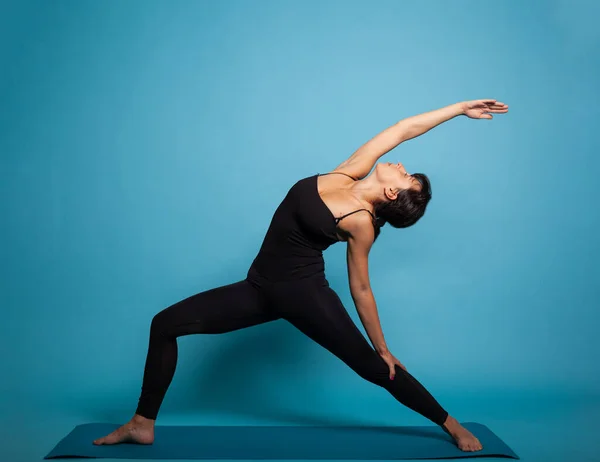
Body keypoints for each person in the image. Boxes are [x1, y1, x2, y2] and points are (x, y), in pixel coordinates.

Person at [93, 99, 508, 452]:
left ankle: (449, 423)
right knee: (164, 324)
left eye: (405, 175)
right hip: (257, 288)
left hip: (305, 295)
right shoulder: (349, 171)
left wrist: (382, 346)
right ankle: (142, 423)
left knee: (375, 368)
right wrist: (458, 109)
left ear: (391, 194)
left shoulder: (360, 222)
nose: (400, 164)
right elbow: (402, 129)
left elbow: (360, 287)